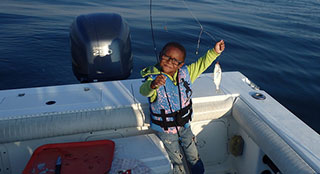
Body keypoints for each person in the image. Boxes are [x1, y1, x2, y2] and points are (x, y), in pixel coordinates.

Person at [140, 40, 225, 174]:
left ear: (181, 65)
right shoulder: (154, 79)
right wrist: (153, 85)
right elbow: (144, 91)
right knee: (175, 159)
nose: (169, 62)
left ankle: (198, 171)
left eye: (175, 61)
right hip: (166, 131)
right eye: (166, 57)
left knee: (193, 152)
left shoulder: (187, 73)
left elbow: (202, 64)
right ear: (160, 55)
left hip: (185, 126)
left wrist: (215, 52)